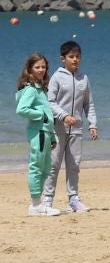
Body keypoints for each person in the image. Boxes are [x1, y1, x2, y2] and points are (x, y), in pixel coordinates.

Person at [42, 40, 98, 214]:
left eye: (78, 57)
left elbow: (89, 104)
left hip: (77, 130)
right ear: (62, 58)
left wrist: (93, 124)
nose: (75, 60)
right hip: (57, 129)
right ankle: (47, 200)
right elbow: (50, 103)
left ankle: (73, 200)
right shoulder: (56, 78)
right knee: (53, 165)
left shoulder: (84, 78)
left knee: (74, 165)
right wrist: (64, 116)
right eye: (71, 57)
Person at [17, 53, 57, 216]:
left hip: (46, 133)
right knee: (37, 167)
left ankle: (37, 204)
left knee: (46, 168)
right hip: (38, 134)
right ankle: (35, 205)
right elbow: (21, 109)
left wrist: (53, 136)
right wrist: (42, 115)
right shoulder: (31, 89)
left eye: (43, 67)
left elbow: (47, 113)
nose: (41, 70)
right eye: (37, 67)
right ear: (29, 69)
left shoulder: (41, 88)